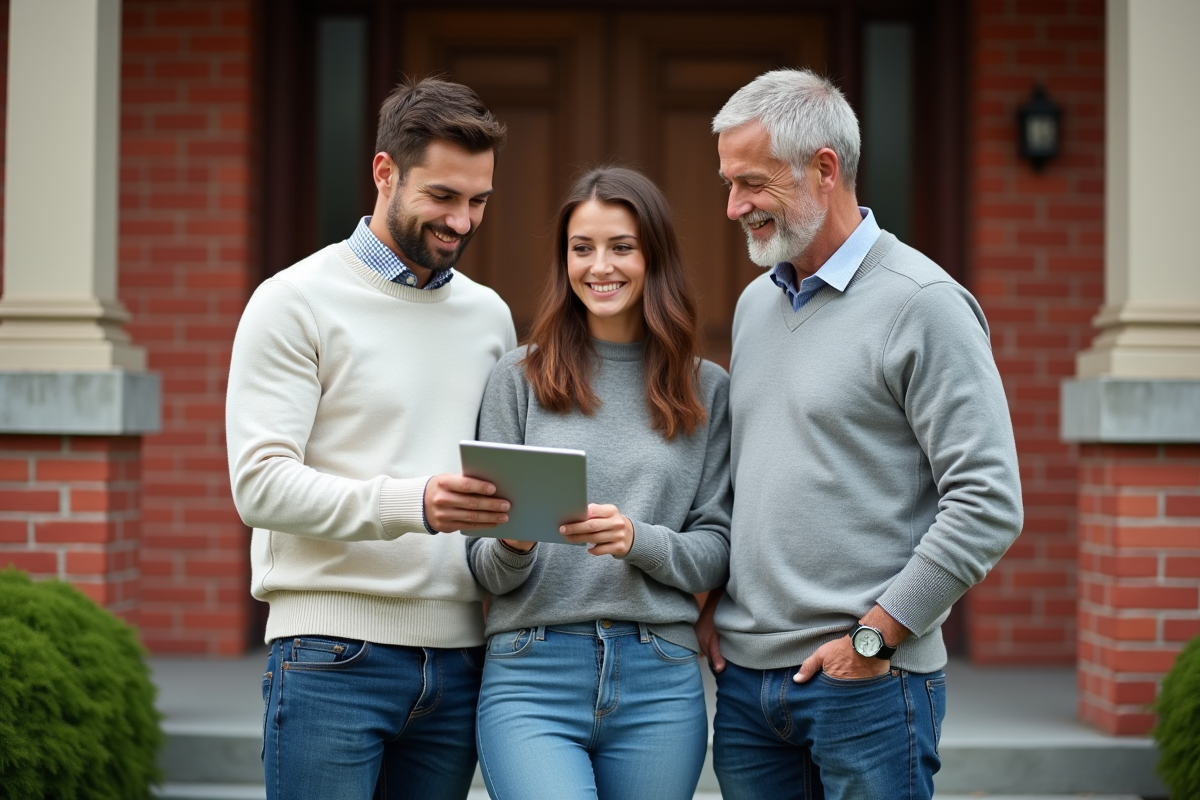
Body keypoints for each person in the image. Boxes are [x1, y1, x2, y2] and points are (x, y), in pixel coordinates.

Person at [696, 69, 1023, 800]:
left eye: (751, 183)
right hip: (748, 690)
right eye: (728, 183)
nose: (733, 206)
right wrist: (716, 599)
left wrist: (877, 636)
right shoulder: (756, 305)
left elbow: (988, 500)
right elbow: (751, 474)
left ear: (824, 168)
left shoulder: (924, 305)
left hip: (868, 683)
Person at [225, 77, 516, 800]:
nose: (463, 221)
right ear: (385, 172)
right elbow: (259, 485)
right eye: (443, 197)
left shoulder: (489, 317)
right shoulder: (293, 301)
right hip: (329, 656)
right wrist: (412, 503)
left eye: (479, 200)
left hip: (457, 662)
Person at [466, 167, 732, 800]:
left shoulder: (707, 389)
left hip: (659, 675)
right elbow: (479, 564)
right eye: (581, 248)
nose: (599, 266)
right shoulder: (518, 379)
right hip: (532, 670)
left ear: (653, 257)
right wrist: (516, 543)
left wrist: (635, 538)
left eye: (621, 246)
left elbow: (717, 553)